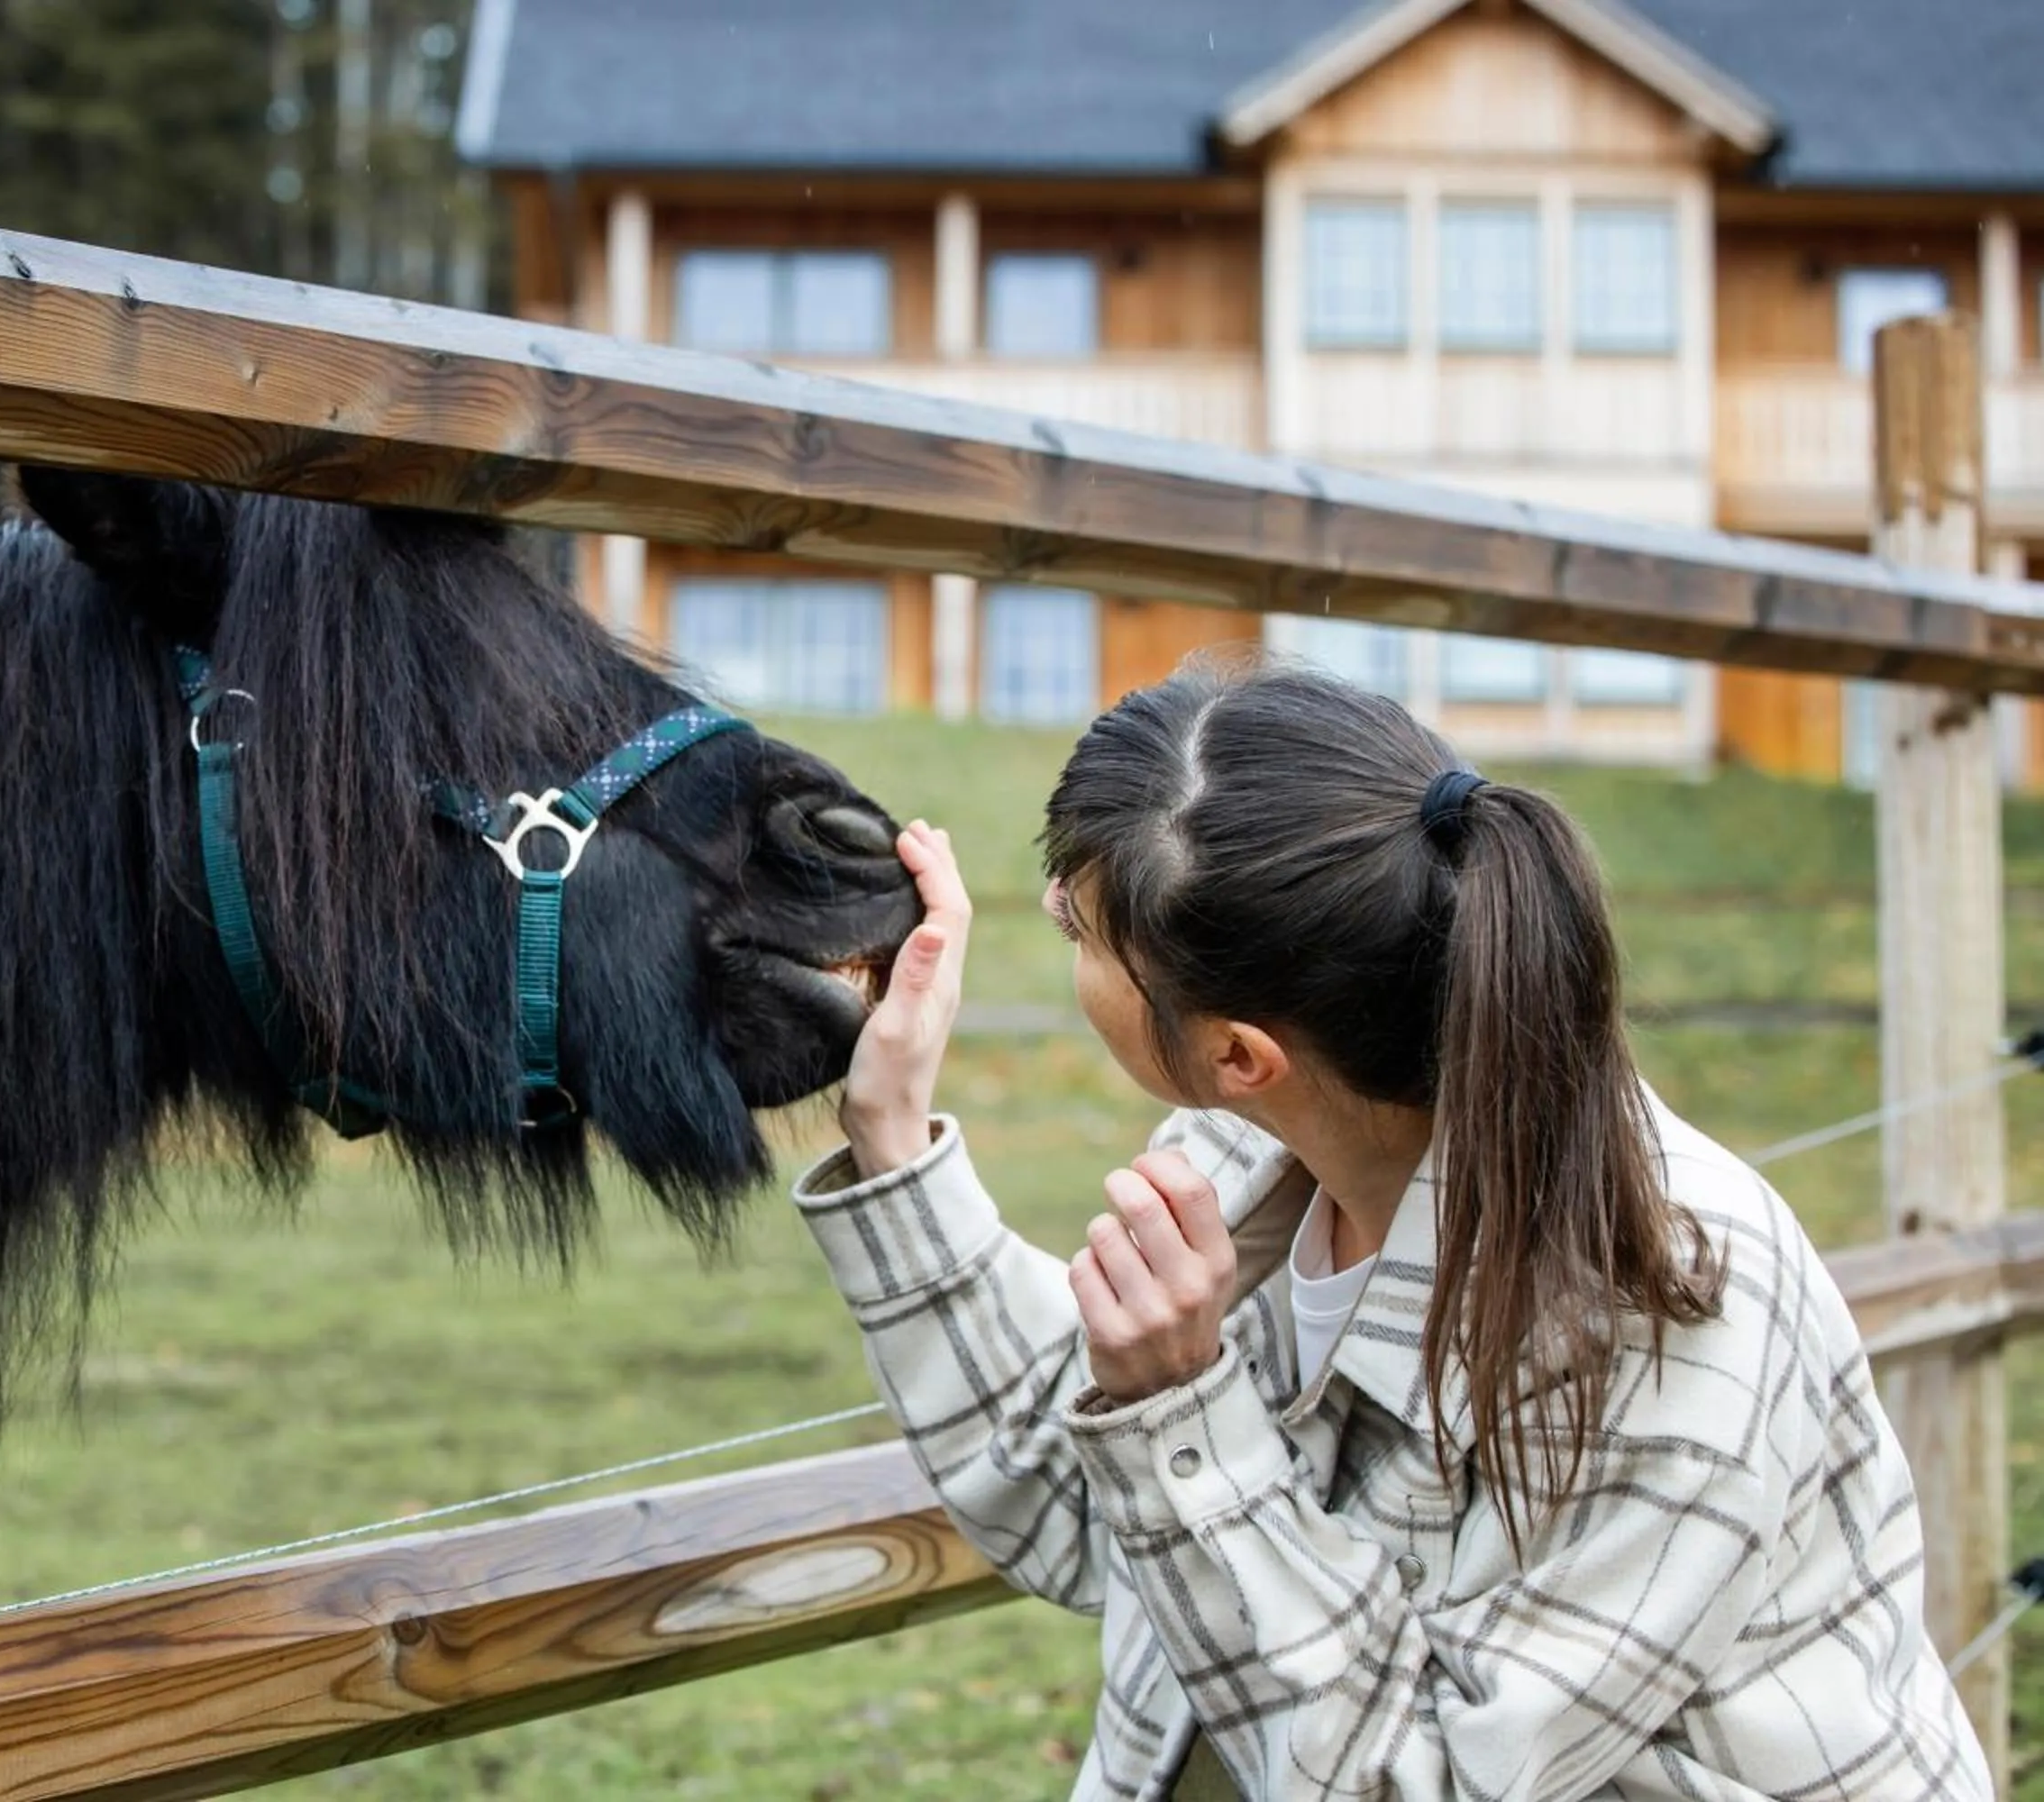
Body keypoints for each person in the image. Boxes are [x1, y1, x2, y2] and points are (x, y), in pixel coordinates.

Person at [790, 660, 1990, 1800]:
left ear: (1238, 1055)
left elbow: (1418, 1782)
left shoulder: (1669, 1307)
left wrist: (1182, 1417)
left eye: (1080, 931)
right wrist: (892, 1134)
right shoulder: (1248, 1150)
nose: (1052, 906)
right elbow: (1079, 1517)